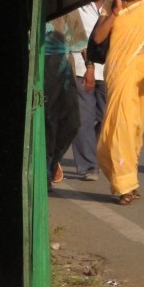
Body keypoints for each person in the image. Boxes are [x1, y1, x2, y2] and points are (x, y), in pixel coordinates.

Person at [94, 0, 144, 206]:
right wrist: (115, 12)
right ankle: (125, 186)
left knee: (132, 129)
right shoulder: (112, 5)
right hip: (117, 72)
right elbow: (98, 37)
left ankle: (128, 183)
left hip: (139, 74)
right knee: (118, 130)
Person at [71, 0, 112, 180]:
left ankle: (94, 153)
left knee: (106, 118)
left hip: (109, 70)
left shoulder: (115, 3)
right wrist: (88, 65)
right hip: (82, 68)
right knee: (84, 118)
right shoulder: (78, 4)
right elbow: (76, 37)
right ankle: (88, 165)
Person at [44, 10, 86, 188]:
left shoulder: (69, 8)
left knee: (72, 123)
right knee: (48, 124)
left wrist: (90, 67)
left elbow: (81, 43)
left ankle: (55, 160)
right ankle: (45, 174)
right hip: (41, 68)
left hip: (65, 70)